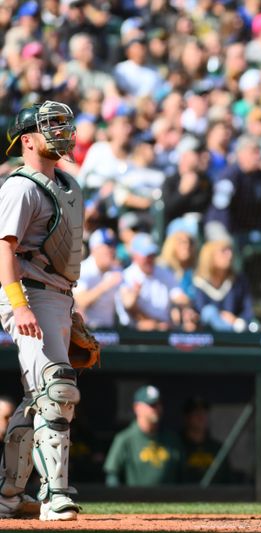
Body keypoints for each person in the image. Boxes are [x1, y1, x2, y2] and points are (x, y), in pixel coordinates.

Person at [0, 101, 84, 521]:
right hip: (27, 293)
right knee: (58, 389)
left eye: (62, 123)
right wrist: (19, 305)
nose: (61, 131)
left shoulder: (67, 183)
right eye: (49, 125)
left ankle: (9, 496)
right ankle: (55, 495)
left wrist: (71, 308)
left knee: (39, 399)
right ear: (26, 139)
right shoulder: (20, 186)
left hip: (57, 296)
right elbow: (4, 248)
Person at [104, 385, 183, 487]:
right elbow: (112, 477)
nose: (156, 408)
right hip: (135, 501)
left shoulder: (172, 439)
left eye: (158, 404)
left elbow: (181, 477)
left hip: (169, 501)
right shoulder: (125, 438)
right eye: (151, 405)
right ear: (137, 408)